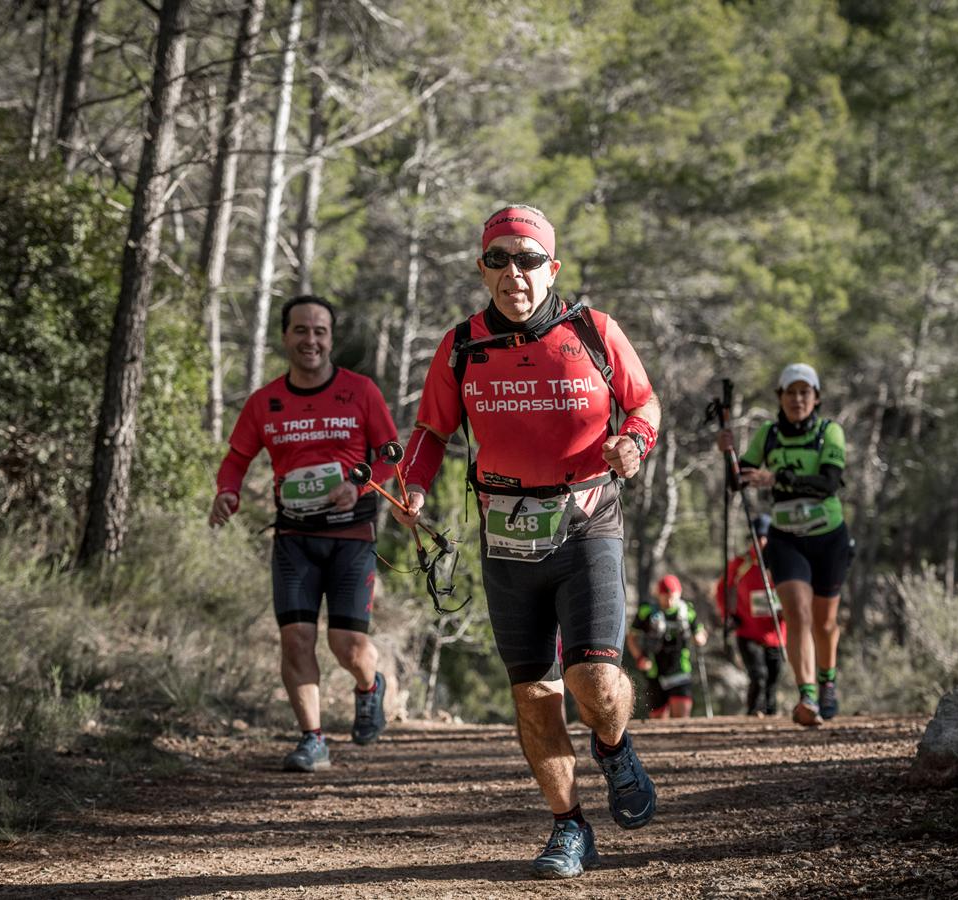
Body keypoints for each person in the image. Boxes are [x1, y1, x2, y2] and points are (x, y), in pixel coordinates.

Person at [392, 204, 662, 879]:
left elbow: (645, 404)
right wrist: (413, 486)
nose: (515, 273)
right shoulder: (462, 347)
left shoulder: (594, 332)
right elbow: (430, 432)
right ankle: (569, 827)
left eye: (529, 259)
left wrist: (632, 442)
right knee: (535, 695)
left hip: (587, 520)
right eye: (499, 259)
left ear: (553, 267)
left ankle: (614, 741)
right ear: (482, 269)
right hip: (506, 537)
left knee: (595, 678)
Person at [209, 295, 398, 771]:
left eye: (320, 331)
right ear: (285, 336)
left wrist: (357, 487)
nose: (310, 340)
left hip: (351, 536)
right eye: (301, 330)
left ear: (330, 339)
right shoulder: (265, 401)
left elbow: (389, 455)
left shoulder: (360, 391)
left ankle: (369, 685)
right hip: (294, 537)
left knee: (347, 647)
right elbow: (236, 459)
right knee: (295, 638)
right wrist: (227, 493)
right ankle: (312, 739)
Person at [716, 363, 850, 727]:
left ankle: (827, 683)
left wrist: (776, 478)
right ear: (780, 397)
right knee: (797, 612)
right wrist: (727, 453)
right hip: (786, 538)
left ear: (816, 397)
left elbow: (827, 483)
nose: (797, 399)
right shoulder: (769, 434)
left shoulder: (829, 432)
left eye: (805, 392)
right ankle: (806, 696)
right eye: (790, 392)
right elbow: (738, 482)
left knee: (824, 623)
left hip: (829, 538)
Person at [715, 515, 786, 716]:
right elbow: (721, 589)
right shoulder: (740, 564)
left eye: (766, 537)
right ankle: (754, 713)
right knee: (759, 675)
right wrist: (728, 615)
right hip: (747, 631)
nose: (762, 541)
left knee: (773, 677)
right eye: (757, 536)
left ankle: (771, 716)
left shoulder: (782, 563)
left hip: (776, 634)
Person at [627, 575, 708, 719]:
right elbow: (632, 638)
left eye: (673, 597)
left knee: (681, 718)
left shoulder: (687, 611)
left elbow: (700, 632)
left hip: (680, 668)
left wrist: (700, 638)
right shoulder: (646, 612)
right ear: (658, 594)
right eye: (666, 597)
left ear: (679, 593)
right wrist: (639, 657)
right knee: (658, 721)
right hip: (654, 670)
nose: (670, 601)